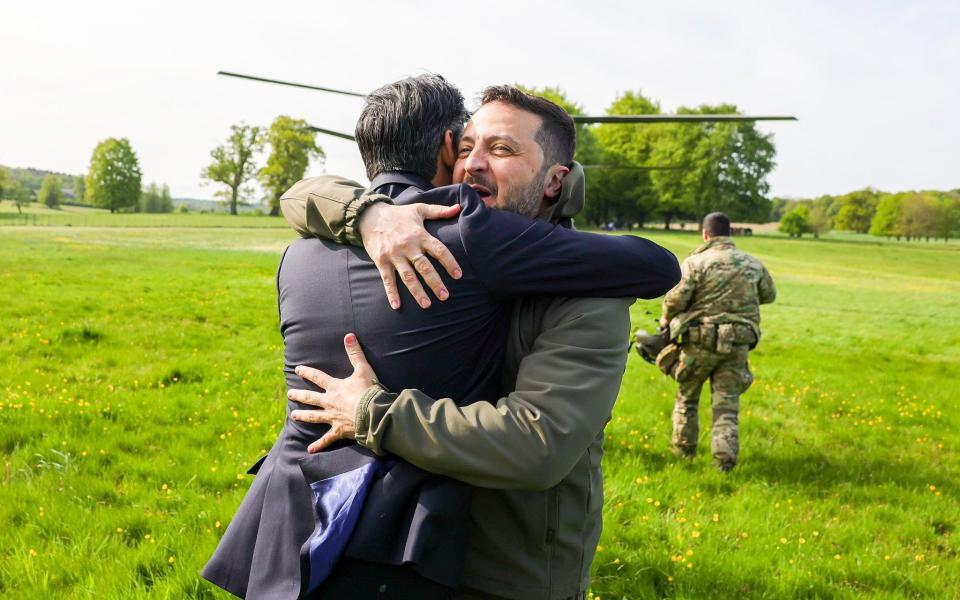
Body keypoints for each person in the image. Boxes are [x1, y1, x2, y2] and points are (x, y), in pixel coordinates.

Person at [202, 76, 680, 600]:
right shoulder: (422, 235)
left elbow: (538, 442)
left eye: (501, 149)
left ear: (553, 181)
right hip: (409, 550)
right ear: (447, 149)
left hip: (505, 569)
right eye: (469, 145)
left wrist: (374, 412)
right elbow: (299, 195)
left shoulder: (589, 290)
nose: (474, 163)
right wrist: (369, 213)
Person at [657, 212, 776, 471]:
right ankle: (724, 462)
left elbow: (675, 299)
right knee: (727, 406)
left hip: (699, 342)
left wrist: (665, 321)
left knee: (687, 399)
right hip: (737, 345)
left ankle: (683, 454)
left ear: (705, 234)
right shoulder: (752, 263)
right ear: (730, 233)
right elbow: (769, 295)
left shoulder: (695, 263)